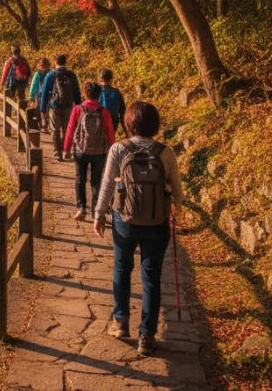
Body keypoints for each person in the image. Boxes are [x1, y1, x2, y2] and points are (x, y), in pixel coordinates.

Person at [94, 101, 183, 356]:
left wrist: (99, 214)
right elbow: (178, 193)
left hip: (124, 220)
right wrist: (174, 206)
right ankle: (147, 335)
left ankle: (120, 322)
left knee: (122, 268)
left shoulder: (119, 149)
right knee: (151, 278)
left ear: (128, 123)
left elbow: (107, 184)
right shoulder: (165, 153)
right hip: (156, 223)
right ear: (155, 124)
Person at [64, 82, 115, 221]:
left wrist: (66, 148)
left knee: (80, 179)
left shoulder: (78, 109)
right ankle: (96, 212)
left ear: (84, 94)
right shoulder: (104, 112)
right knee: (96, 182)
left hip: (80, 150)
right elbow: (110, 132)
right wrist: (112, 149)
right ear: (99, 95)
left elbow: (70, 129)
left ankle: (81, 209)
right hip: (99, 152)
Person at [39, 54, 82, 161]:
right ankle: (64, 150)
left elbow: (44, 93)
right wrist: (78, 107)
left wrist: (42, 109)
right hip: (68, 107)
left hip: (54, 107)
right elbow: (77, 92)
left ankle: (57, 152)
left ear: (55, 62)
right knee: (67, 130)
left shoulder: (50, 75)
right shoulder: (71, 75)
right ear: (65, 62)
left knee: (55, 130)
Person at [99, 68, 127, 134]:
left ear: (100, 78)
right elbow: (122, 110)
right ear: (111, 79)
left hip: (99, 122)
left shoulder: (96, 91)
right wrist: (125, 129)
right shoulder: (116, 92)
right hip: (113, 124)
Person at [29, 58, 51, 129]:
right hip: (48, 94)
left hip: (39, 95)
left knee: (39, 109)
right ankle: (45, 124)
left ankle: (41, 124)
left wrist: (31, 96)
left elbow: (33, 86)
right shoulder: (50, 73)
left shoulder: (37, 74)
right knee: (47, 109)